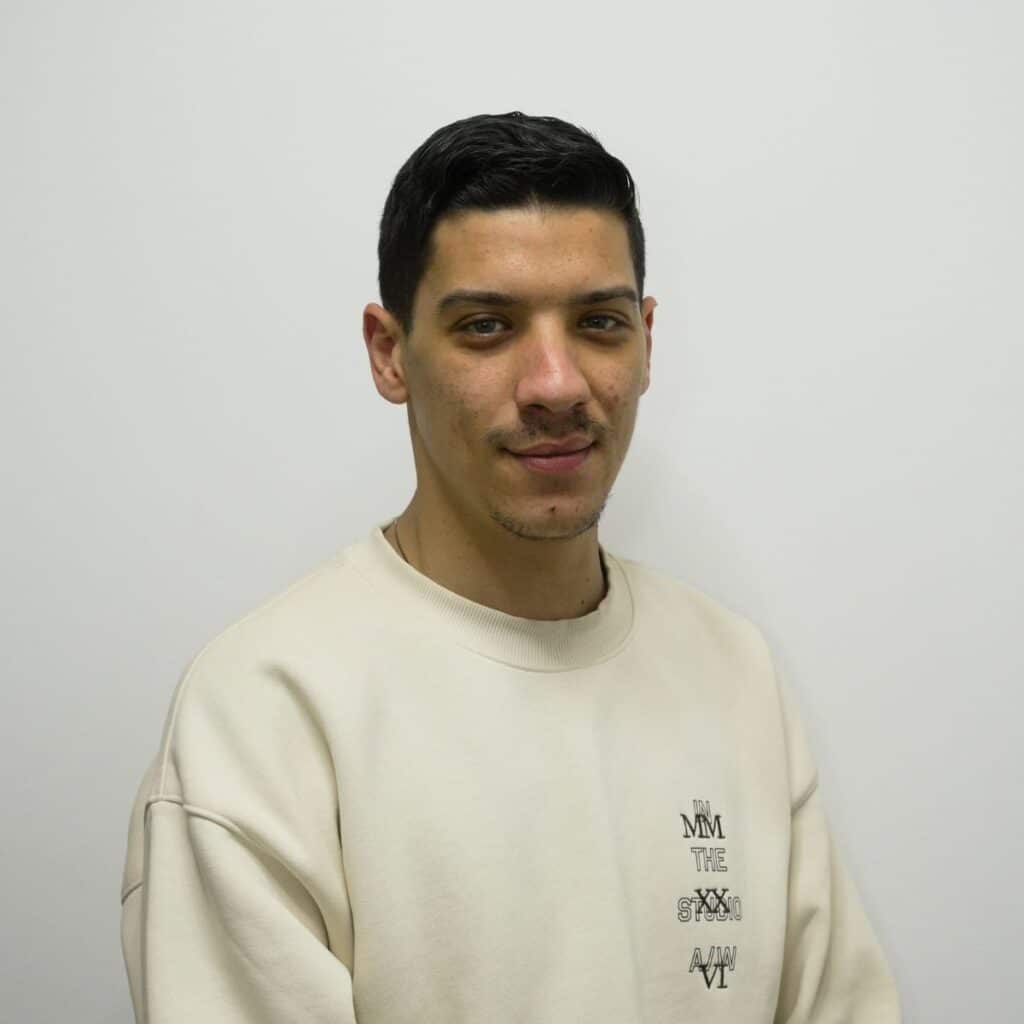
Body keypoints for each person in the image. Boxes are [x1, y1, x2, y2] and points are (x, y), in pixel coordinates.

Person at [119, 111, 902, 1023]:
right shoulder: (265, 712)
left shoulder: (734, 670)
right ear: (389, 353)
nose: (556, 385)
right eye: (487, 327)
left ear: (647, 341)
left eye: (599, 323)